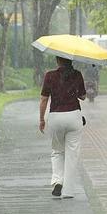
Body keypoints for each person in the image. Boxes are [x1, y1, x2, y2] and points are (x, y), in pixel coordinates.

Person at [39, 56, 86, 198]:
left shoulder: (50, 76)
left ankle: (58, 181)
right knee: (72, 154)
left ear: (57, 61)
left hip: (56, 117)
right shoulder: (77, 75)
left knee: (57, 151)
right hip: (74, 117)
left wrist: (41, 119)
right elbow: (83, 96)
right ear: (71, 60)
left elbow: (44, 99)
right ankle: (68, 192)